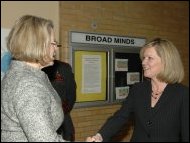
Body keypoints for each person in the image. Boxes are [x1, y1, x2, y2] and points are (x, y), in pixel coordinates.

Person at [86, 38, 189, 142]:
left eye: (150, 58)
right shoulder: (138, 89)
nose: (143, 62)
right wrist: (99, 137)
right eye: (144, 58)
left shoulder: (182, 94)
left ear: (166, 61)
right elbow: (120, 117)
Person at [1, 15, 66, 142]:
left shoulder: (21, 74)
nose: (56, 48)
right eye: (53, 43)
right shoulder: (28, 84)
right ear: (37, 45)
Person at [42, 60, 76, 141]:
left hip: (63, 121)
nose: (55, 49)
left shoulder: (63, 68)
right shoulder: (30, 68)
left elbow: (71, 94)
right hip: (41, 120)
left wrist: (62, 111)